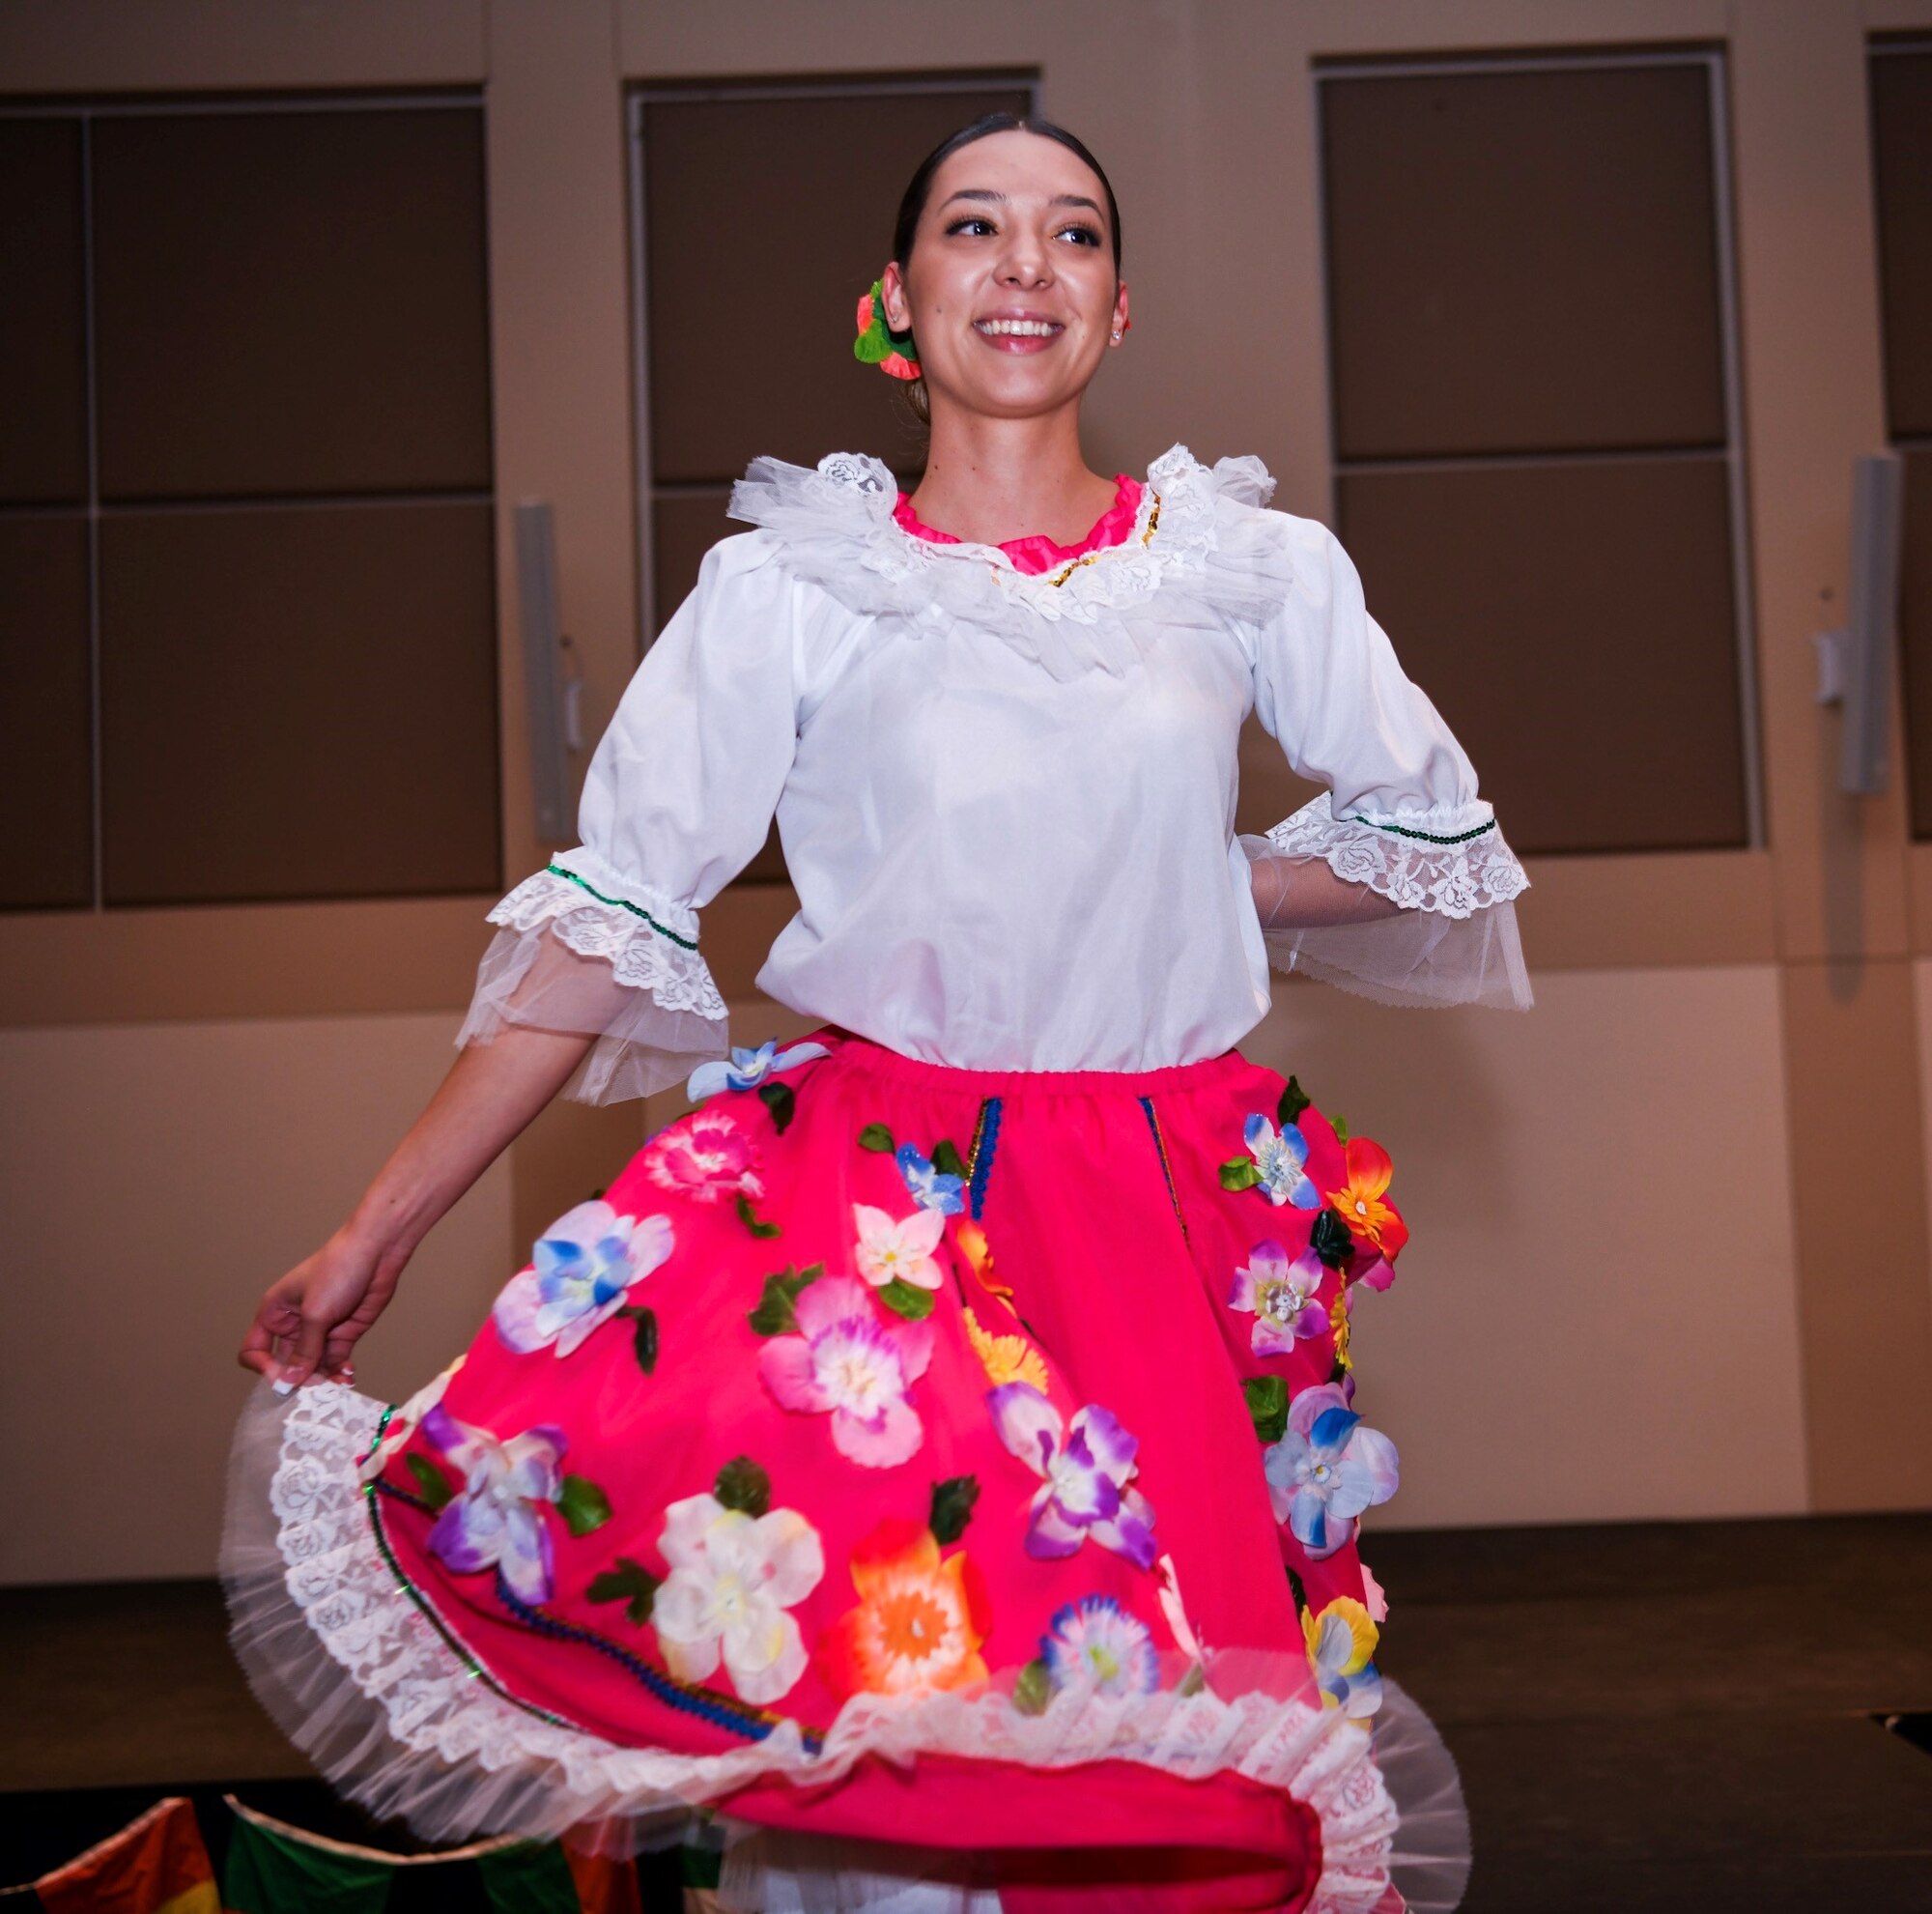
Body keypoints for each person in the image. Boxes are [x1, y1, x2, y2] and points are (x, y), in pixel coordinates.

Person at [225, 112, 1527, 1914]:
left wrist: (1181, 878)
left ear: (1120, 310)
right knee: (902, 1753)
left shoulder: (1247, 571)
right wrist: (381, 1223)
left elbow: (1425, 843)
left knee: (1176, 1750)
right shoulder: (794, 590)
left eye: (1071, 236)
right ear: (893, 306)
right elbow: (611, 919)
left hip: (1153, 1215)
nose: (1024, 265)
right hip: (885, 1228)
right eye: (976, 229)